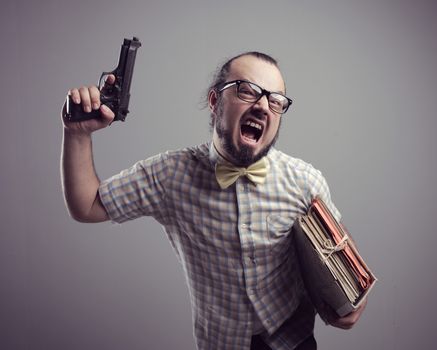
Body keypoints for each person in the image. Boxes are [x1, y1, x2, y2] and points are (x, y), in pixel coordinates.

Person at [61, 52, 367, 350]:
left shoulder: (304, 180)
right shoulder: (171, 175)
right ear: (214, 101)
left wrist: (353, 294)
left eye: (275, 101)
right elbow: (87, 205)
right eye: (247, 91)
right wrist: (77, 133)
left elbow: (338, 241)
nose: (262, 106)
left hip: (293, 339)